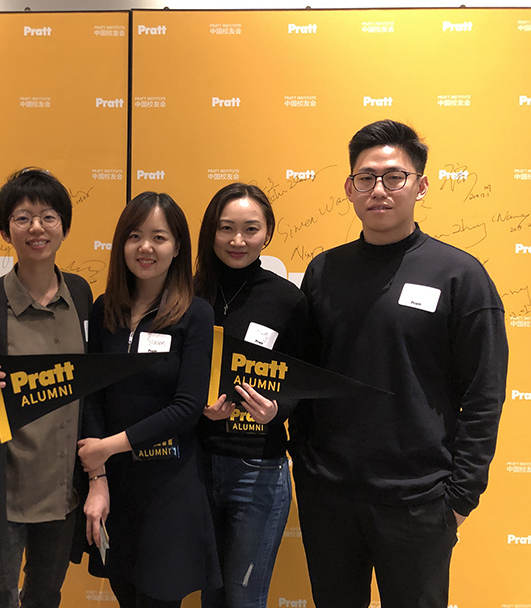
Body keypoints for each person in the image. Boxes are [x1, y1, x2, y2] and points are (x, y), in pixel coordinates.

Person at [290, 120, 509, 608]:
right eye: (366, 178)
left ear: (421, 185)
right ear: (349, 188)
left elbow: (484, 392)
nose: (379, 190)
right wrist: (302, 456)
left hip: (419, 500)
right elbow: (304, 371)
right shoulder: (324, 271)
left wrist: (459, 498)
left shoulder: (459, 275)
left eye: (395, 177)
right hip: (328, 492)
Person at [0, 168, 92, 608]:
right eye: (23, 217)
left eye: (48, 217)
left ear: (64, 226)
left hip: (62, 493)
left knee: (46, 596)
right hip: (1, 492)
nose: (36, 228)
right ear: (5, 230)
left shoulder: (82, 296)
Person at [78, 192, 221, 608]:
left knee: (159, 598)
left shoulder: (196, 314)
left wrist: (108, 447)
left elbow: (187, 407)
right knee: (124, 592)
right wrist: (98, 478)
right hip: (115, 486)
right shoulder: (105, 309)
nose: (146, 247)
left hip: (170, 486)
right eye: (135, 236)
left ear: (177, 247)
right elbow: (92, 394)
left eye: (159, 237)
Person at [194, 183, 308, 608]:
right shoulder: (188, 296)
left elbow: (303, 380)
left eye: (250, 229)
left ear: (268, 233)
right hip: (196, 463)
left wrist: (278, 409)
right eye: (226, 228)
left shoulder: (287, 300)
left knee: (243, 599)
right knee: (211, 594)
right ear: (211, 232)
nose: (237, 240)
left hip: (257, 467)